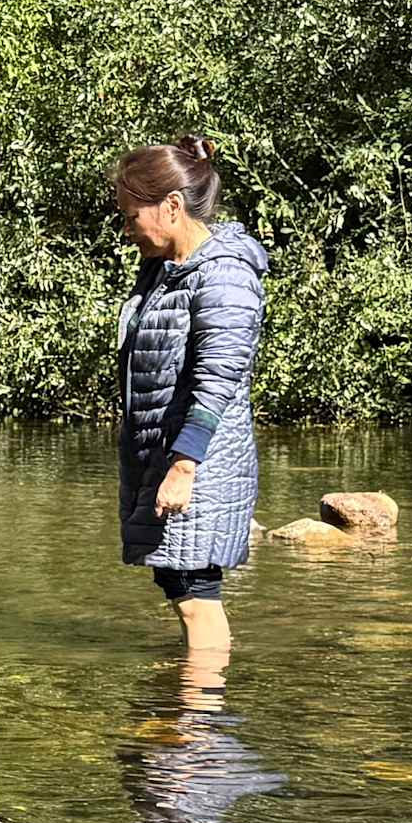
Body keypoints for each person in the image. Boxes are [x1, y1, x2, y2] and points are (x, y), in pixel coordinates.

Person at [114, 135, 270, 687]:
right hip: (166, 448)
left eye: (133, 217)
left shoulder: (223, 274)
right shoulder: (168, 268)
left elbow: (220, 375)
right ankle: (191, 714)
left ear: (172, 207)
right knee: (178, 581)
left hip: (197, 457)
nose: (129, 229)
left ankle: (198, 729)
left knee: (193, 585)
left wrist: (184, 467)